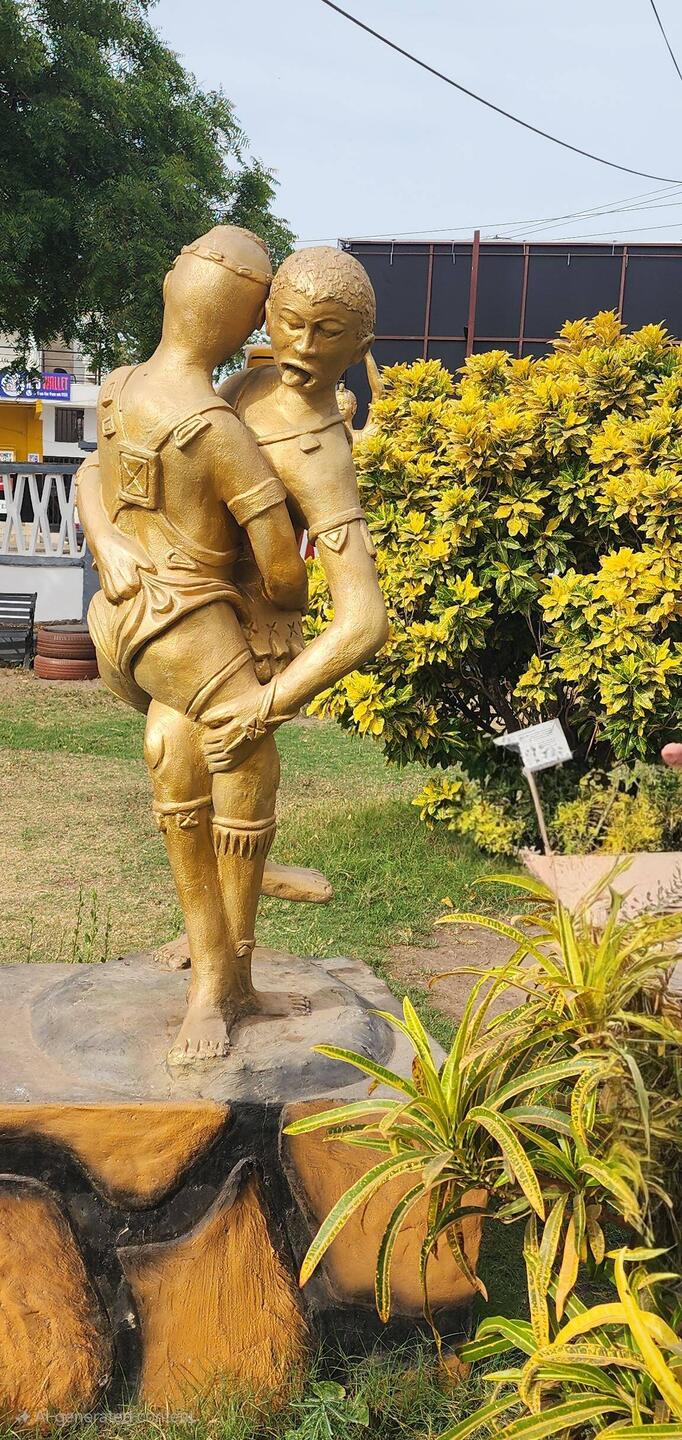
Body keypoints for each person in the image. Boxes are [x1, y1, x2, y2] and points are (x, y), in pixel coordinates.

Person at [76, 226, 309, 1064]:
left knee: (172, 750)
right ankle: (221, 981)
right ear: (248, 324)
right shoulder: (217, 428)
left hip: (123, 629)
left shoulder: (115, 387)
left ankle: (216, 965)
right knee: (244, 761)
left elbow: (82, 479)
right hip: (191, 631)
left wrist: (108, 542)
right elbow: (282, 568)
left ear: (172, 288)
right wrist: (285, 592)